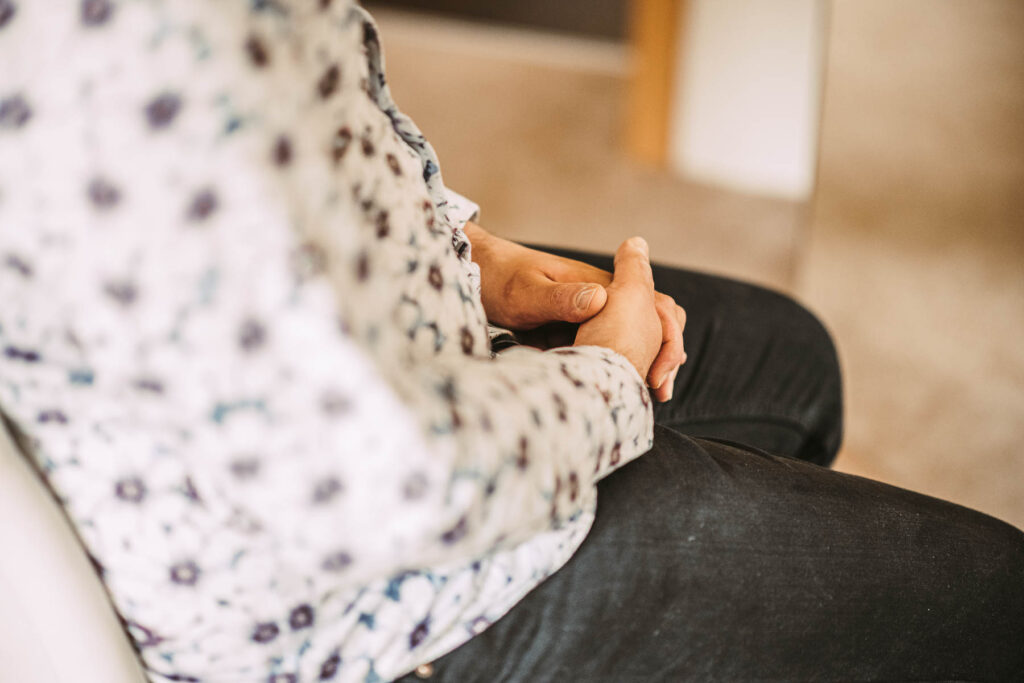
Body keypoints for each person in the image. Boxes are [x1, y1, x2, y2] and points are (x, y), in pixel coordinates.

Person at [0, 1, 1020, 681]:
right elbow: (390, 489)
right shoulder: (109, 75)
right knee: (989, 600)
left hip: (380, 359)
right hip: (364, 591)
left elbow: (319, 138)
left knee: (787, 362)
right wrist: (610, 375)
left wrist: (480, 257)